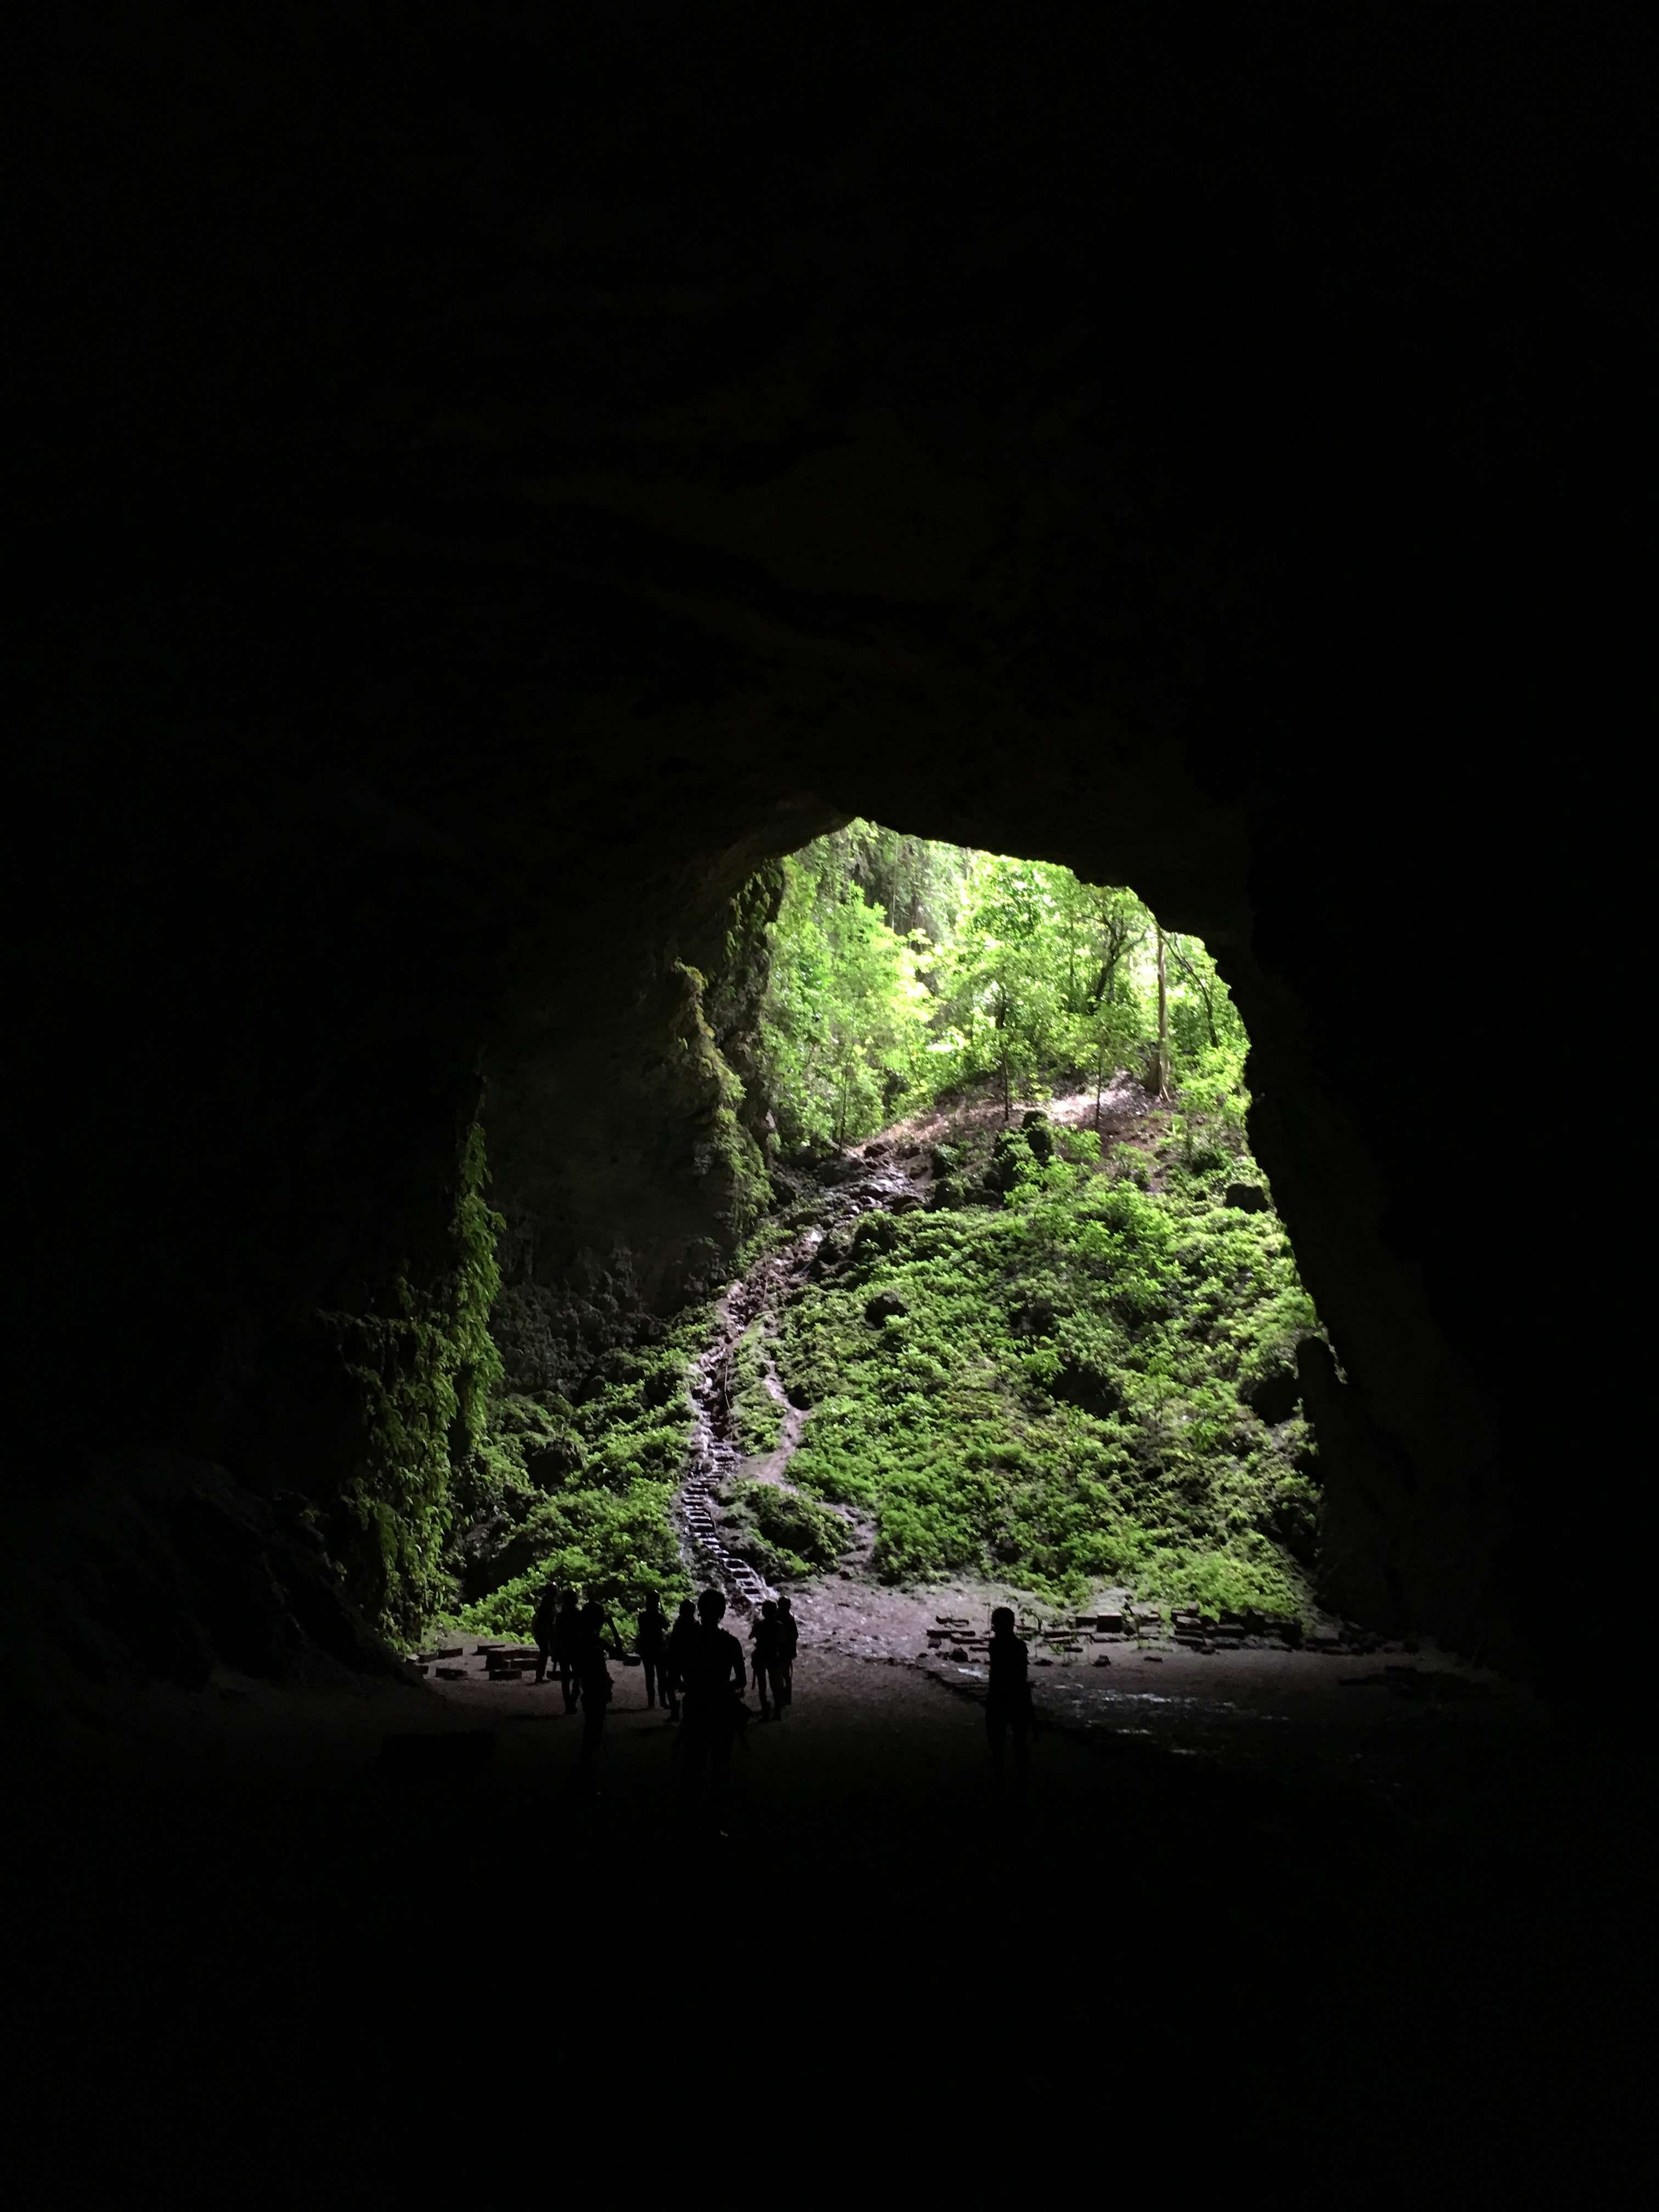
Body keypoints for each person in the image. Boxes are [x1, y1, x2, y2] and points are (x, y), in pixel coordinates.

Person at [678, 1588, 747, 1830]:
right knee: (721, 1765)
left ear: (699, 1609)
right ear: (723, 1612)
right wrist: (721, 1688)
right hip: (722, 1708)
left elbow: (675, 1678)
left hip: (696, 1705)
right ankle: (715, 1822)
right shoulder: (730, 1643)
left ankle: (690, 1820)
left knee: (694, 1763)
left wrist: (694, 1685)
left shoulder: (688, 1641)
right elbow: (741, 1681)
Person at [985, 1605, 1034, 1790]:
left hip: (998, 1697)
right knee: (1020, 1742)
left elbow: (997, 1674)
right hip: (1018, 1697)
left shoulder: (995, 1646)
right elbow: (1022, 1677)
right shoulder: (1019, 1647)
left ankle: (1000, 1782)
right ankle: (1022, 1782)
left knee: (998, 1744)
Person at [572, 1599, 613, 1790]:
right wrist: (613, 1627)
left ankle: (586, 1779)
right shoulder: (592, 1643)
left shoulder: (582, 1640)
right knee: (592, 1738)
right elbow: (618, 1650)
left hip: (590, 1692)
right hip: (595, 1693)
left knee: (592, 1736)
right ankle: (586, 1781)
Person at [663, 1596, 698, 1723]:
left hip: (682, 1659)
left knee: (673, 1685)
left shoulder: (685, 1625)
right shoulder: (692, 1625)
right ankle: (681, 1712)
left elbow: (676, 1642)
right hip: (684, 1659)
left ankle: (678, 1712)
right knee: (679, 1685)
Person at [749, 1599, 781, 1719]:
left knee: (762, 1687)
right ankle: (777, 1712)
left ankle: (765, 1713)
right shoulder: (779, 1626)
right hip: (774, 1656)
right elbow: (783, 1642)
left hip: (761, 1656)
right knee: (775, 1686)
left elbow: (751, 1636)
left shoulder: (760, 1625)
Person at [553, 1589, 583, 1713]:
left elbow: (556, 1635)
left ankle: (568, 1704)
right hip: (575, 1648)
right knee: (577, 1676)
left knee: (566, 1678)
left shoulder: (561, 1616)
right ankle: (573, 1701)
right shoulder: (578, 1615)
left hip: (564, 1648)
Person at [637, 1592, 669, 1710]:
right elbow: (666, 1626)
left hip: (647, 1648)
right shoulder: (659, 1616)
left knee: (650, 1676)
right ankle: (662, 1701)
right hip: (658, 1648)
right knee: (661, 1677)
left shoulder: (643, 1616)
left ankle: (652, 1702)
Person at [532, 1581, 561, 1685]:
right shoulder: (548, 1604)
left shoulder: (547, 1602)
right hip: (544, 1631)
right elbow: (548, 1619)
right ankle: (540, 1676)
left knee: (545, 1652)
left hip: (543, 1630)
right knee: (544, 1652)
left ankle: (540, 1675)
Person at [774, 1594, 798, 1715]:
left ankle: (784, 1697)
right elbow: (795, 1636)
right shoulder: (789, 1619)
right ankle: (786, 1696)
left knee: (782, 1675)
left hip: (782, 1650)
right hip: (786, 1650)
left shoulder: (783, 1618)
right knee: (785, 1674)